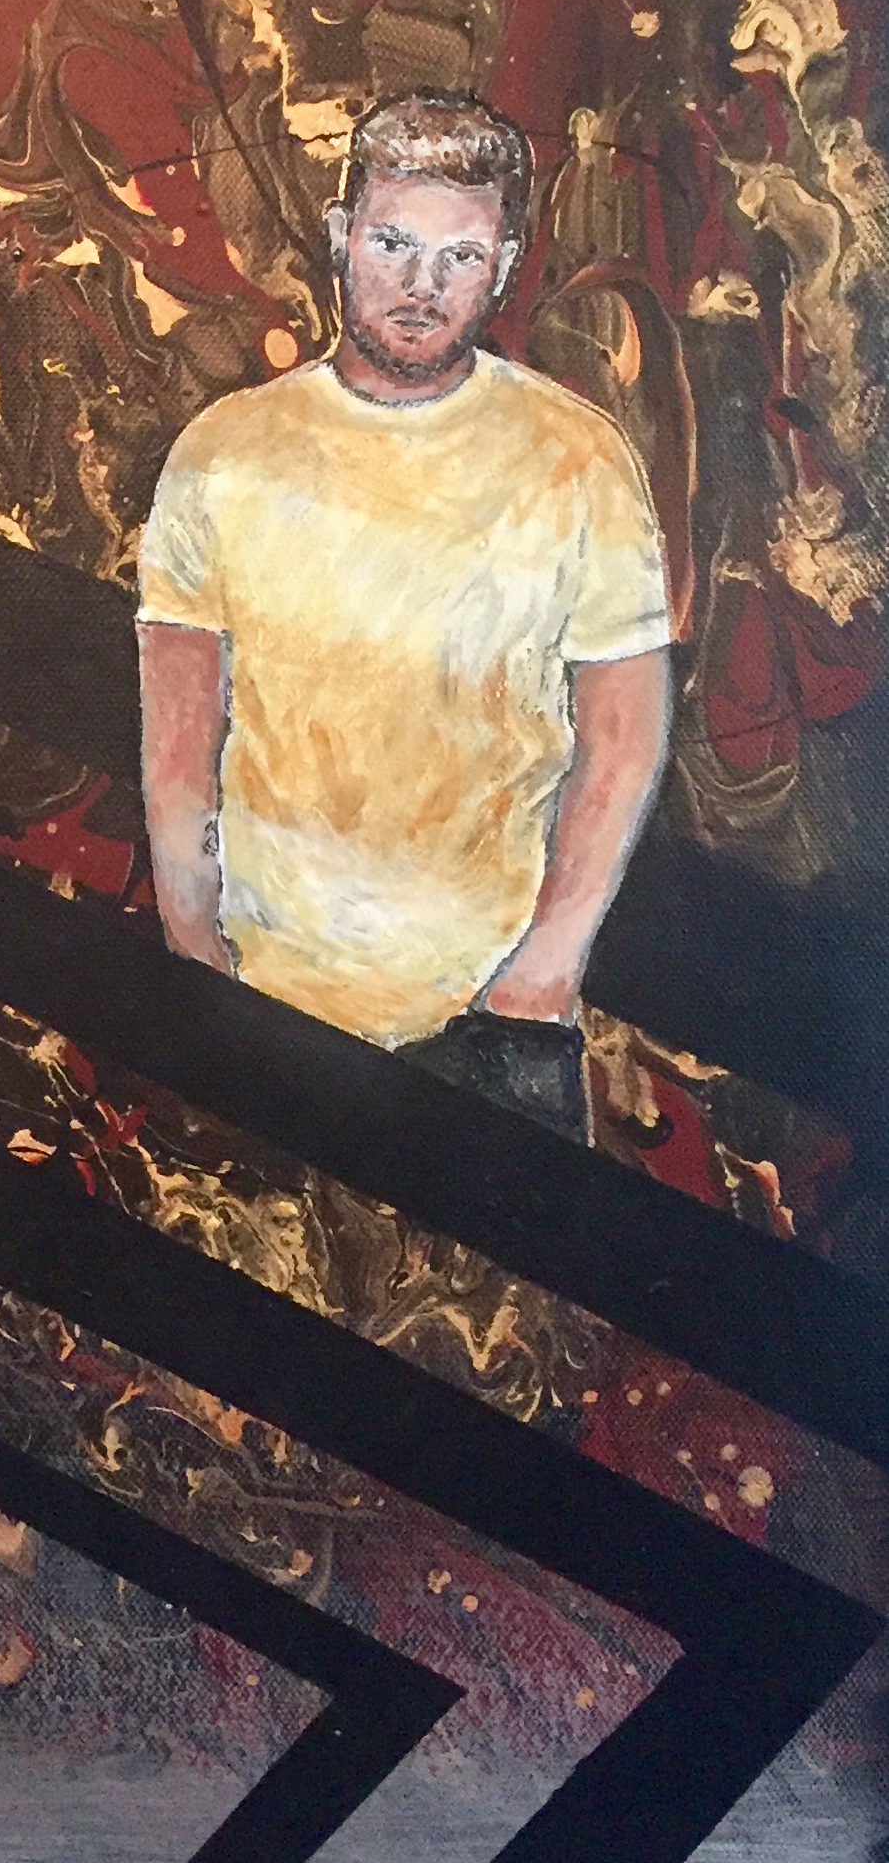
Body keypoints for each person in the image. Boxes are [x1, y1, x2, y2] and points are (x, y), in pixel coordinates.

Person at [137, 90, 673, 1141]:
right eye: (392, 242)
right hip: (263, 1002)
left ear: (502, 264)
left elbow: (622, 738)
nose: (421, 285)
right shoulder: (224, 452)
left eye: (459, 256)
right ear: (342, 235)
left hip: (493, 1019)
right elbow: (178, 737)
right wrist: (195, 954)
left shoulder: (577, 458)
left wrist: (536, 980)